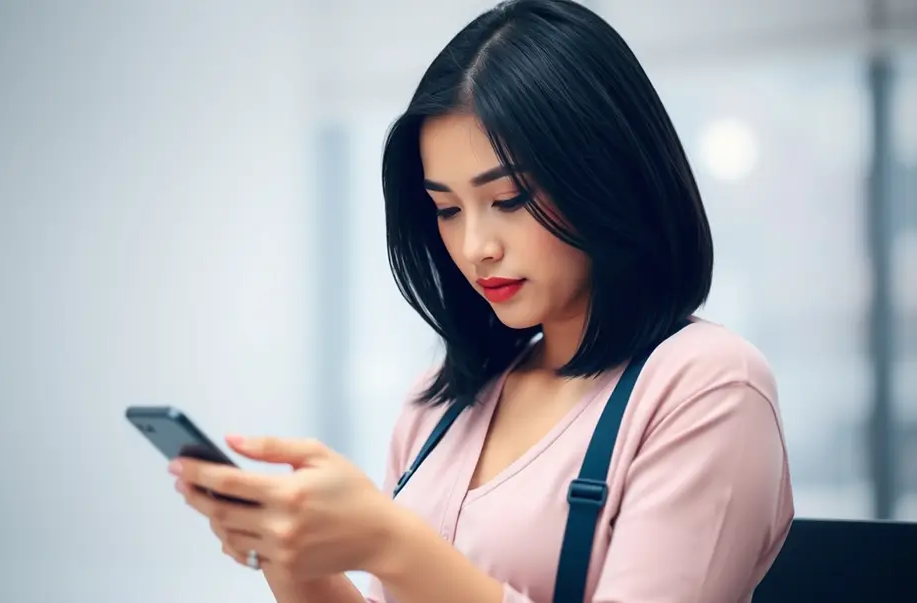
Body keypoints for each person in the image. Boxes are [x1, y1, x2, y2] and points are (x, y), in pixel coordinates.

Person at [168, 0, 794, 601]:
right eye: (445, 209)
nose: (474, 247)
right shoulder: (441, 402)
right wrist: (288, 556)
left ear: (605, 175)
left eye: (510, 199)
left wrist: (392, 545)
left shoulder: (707, 386)